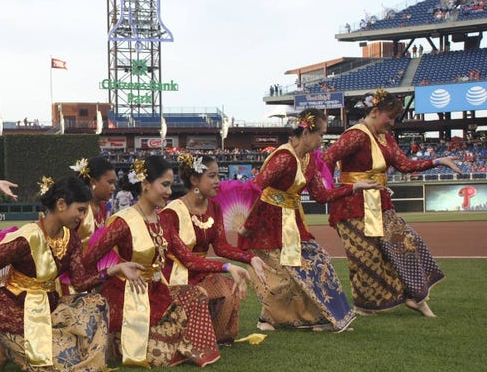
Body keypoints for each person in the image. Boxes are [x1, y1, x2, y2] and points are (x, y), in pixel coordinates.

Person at [0, 176, 143, 372]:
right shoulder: (26, 237)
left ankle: (15, 347)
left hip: (49, 306)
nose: (82, 216)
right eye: (80, 210)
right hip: (15, 311)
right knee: (60, 362)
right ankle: (4, 342)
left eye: (85, 211)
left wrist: (115, 269)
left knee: (96, 302)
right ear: (61, 204)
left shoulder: (71, 238)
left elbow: (80, 283)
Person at [84, 156, 249, 368]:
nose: (170, 192)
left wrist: (228, 266)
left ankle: (194, 348)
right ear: (145, 184)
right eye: (165, 185)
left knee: (196, 294)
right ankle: (126, 339)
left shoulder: (162, 220)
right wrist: (110, 274)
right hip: (128, 295)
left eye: (170, 185)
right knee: (159, 355)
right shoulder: (123, 221)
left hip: (157, 290)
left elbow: (188, 259)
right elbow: (89, 260)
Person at [322, 90, 461, 317]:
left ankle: (415, 296)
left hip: (380, 203)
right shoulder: (355, 135)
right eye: (390, 117)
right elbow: (327, 158)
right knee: (365, 257)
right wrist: (330, 191)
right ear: (375, 112)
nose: (393, 123)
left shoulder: (386, 137)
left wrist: (437, 161)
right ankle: (365, 306)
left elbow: (404, 165)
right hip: (352, 206)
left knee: (406, 243)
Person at [238, 109, 378, 333]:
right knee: (282, 277)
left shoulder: (310, 159)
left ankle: (316, 317)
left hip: (292, 222)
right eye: (321, 134)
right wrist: (247, 224)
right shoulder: (283, 159)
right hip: (267, 223)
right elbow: (256, 187)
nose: (323, 140)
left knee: (317, 260)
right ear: (306, 134)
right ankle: (268, 317)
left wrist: (354, 187)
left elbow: (320, 195)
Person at [159, 153, 267, 344]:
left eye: (218, 176)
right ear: (194, 180)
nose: (218, 181)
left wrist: (250, 258)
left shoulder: (214, 207)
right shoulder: (172, 212)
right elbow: (186, 259)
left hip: (201, 270)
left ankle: (212, 337)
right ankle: (192, 337)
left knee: (228, 289)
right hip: (176, 273)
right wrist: (227, 267)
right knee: (221, 290)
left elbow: (221, 247)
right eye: (212, 176)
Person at [70, 156, 117, 249]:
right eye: (110, 182)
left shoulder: (102, 207)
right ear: (93, 182)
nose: (114, 188)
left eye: (114, 183)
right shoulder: (79, 209)